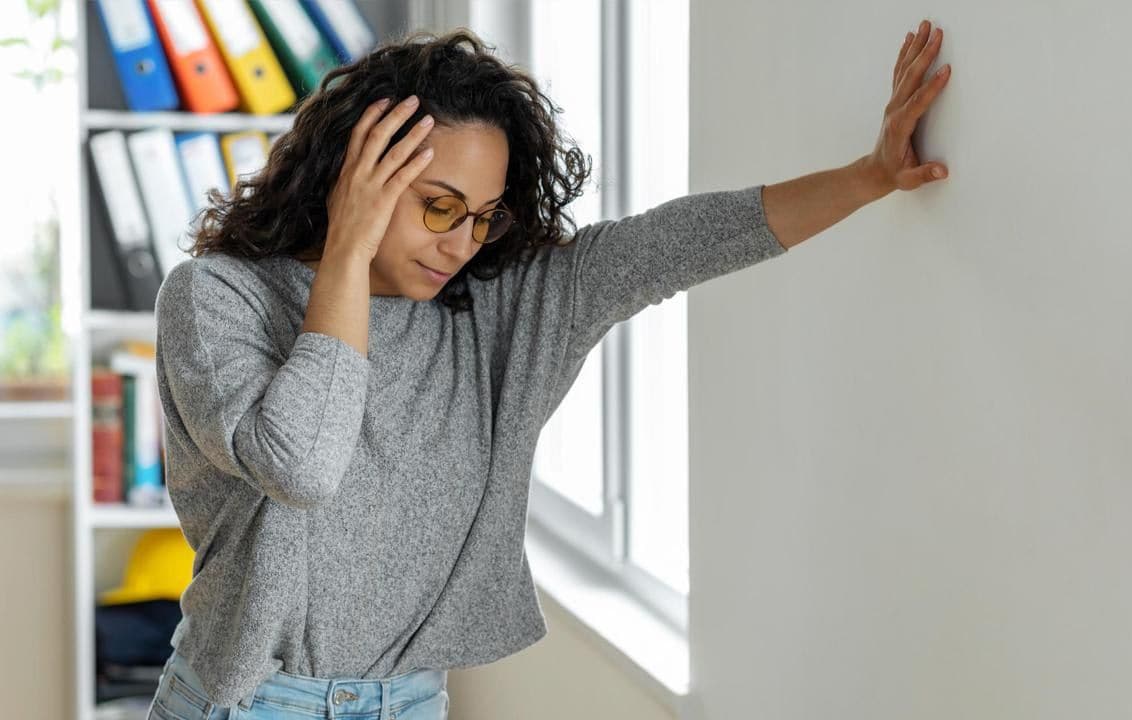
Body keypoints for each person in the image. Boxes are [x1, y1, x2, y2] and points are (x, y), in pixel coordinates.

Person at [147, 20, 950, 720]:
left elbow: (676, 241)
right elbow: (301, 463)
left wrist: (870, 175)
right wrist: (349, 250)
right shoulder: (217, 299)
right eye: (438, 204)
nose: (462, 242)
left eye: (483, 217)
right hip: (246, 706)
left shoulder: (497, 309)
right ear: (356, 177)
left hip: (411, 702)